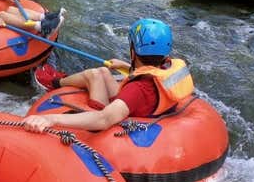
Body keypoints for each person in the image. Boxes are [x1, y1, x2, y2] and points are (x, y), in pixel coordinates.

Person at [24, 18, 194, 132]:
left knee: (93, 74)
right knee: (104, 72)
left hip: (121, 115)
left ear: (133, 51)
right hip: (144, 108)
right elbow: (151, 76)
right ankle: (59, 80)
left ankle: (54, 82)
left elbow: (103, 120)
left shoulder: (138, 89)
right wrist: (125, 66)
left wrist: (51, 119)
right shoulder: (167, 68)